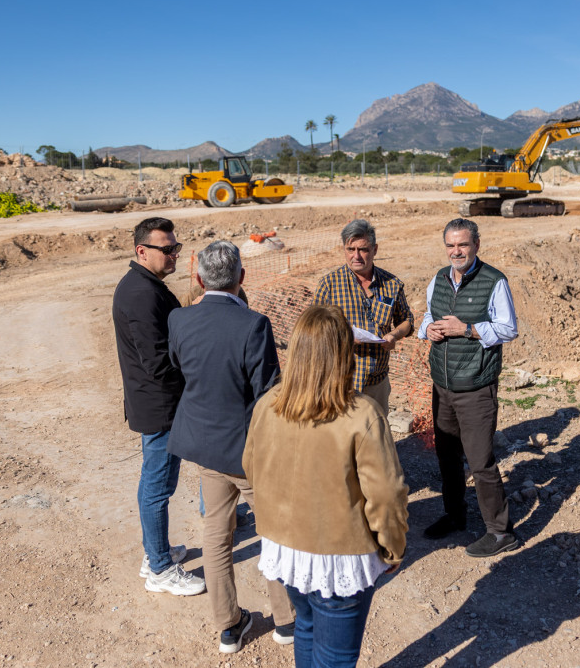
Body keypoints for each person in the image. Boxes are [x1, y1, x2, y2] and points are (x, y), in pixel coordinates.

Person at [244, 304, 408, 668]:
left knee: (305, 625)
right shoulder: (362, 414)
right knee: (336, 657)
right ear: (345, 353)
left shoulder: (267, 405)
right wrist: (393, 548)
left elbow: (251, 468)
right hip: (341, 558)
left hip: (287, 549)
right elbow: (385, 495)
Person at [166, 240, 294, 655]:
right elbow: (268, 394)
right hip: (248, 453)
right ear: (242, 277)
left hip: (205, 447)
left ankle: (228, 626)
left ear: (199, 279)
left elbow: (179, 369)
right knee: (275, 533)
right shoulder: (253, 324)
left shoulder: (179, 320)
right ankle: (287, 620)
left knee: (217, 536)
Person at [111, 217, 206, 597]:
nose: (173, 255)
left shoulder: (147, 286)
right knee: (156, 485)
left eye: (175, 248)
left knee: (159, 482)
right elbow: (157, 362)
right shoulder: (140, 294)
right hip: (160, 406)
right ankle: (160, 569)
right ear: (142, 251)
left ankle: (157, 553)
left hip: (158, 403)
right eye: (166, 250)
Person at [417, 217, 521, 558]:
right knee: (447, 457)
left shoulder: (494, 281)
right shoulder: (438, 279)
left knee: (480, 463)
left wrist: (469, 329)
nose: (456, 251)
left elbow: (508, 328)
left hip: (476, 386)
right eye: (450, 245)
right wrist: (428, 330)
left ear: (476, 245)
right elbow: (427, 318)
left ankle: (500, 531)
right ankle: (455, 515)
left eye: (462, 244)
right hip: (443, 385)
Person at [313, 219, 413, 415]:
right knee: (342, 441)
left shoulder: (392, 284)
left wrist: (395, 335)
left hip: (377, 382)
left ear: (375, 249)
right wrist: (344, 337)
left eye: (363, 250)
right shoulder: (329, 284)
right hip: (340, 381)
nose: (356, 256)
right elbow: (313, 328)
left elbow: (407, 320)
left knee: (375, 438)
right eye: (351, 249)